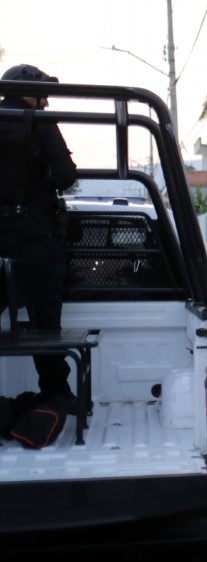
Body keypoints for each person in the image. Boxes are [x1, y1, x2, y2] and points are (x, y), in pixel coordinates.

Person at [0, 64, 77, 401]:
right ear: (27, 92)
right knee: (46, 324)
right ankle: (56, 395)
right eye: (42, 94)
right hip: (36, 238)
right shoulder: (39, 124)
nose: (46, 102)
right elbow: (65, 176)